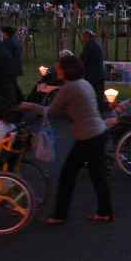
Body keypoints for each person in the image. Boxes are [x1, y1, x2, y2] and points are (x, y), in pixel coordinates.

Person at [19, 55, 113, 224]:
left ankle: (59, 215)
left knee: (67, 174)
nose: (56, 70)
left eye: (59, 67)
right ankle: (105, 211)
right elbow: (72, 109)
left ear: (67, 70)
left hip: (86, 137)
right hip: (98, 133)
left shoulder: (69, 88)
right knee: (97, 174)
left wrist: (28, 105)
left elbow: (50, 111)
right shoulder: (84, 84)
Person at [79, 30, 107, 112]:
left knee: (93, 95)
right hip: (100, 74)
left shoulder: (89, 46)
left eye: (83, 37)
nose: (82, 39)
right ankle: (100, 113)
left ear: (86, 37)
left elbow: (83, 59)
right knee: (99, 96)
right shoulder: (96, 44)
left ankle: (95, 113)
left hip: (93, 75)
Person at [1, 26, 24, 102]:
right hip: (16, 66)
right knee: (14, 84)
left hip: (10, 68)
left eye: (2, 32)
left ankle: (19, 100)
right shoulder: (16, 42)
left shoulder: (6, 44)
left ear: (5, 33)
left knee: (12, 86)